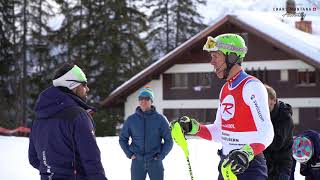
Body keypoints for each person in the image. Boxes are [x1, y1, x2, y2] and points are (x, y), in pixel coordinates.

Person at [175, 33, 274, 180]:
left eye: (216, 56)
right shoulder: (225, 89)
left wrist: (245, 153)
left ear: (232, 57)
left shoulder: (252, 86)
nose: (212, 62)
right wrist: (193, 128)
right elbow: (219, 132)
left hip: (249, 167)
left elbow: (267, 133)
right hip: (226, 165)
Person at [28, 63, 108, 180]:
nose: (87, 89)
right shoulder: (78, 116)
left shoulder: (39, 118)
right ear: (72, 85)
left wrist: (53, 170)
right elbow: (92, 161)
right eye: (84, 84)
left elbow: (34, 158)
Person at [119, 87, 173, 180]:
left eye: (147, 98)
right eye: (141, 98)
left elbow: (169, 140)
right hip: (137, 162)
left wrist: (161, 155)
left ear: (151, 101)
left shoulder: (160, 119)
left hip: (155, 162)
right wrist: (129, 154)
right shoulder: (131, 120)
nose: (143, 101)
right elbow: (123, 139)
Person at [263, 84, 294, 180]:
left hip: (281, 167)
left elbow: (277, 143)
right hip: (264, 165)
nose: (261, 103)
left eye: (264, 99)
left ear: (273, 100)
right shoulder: (262, 114)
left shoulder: (285, 116)